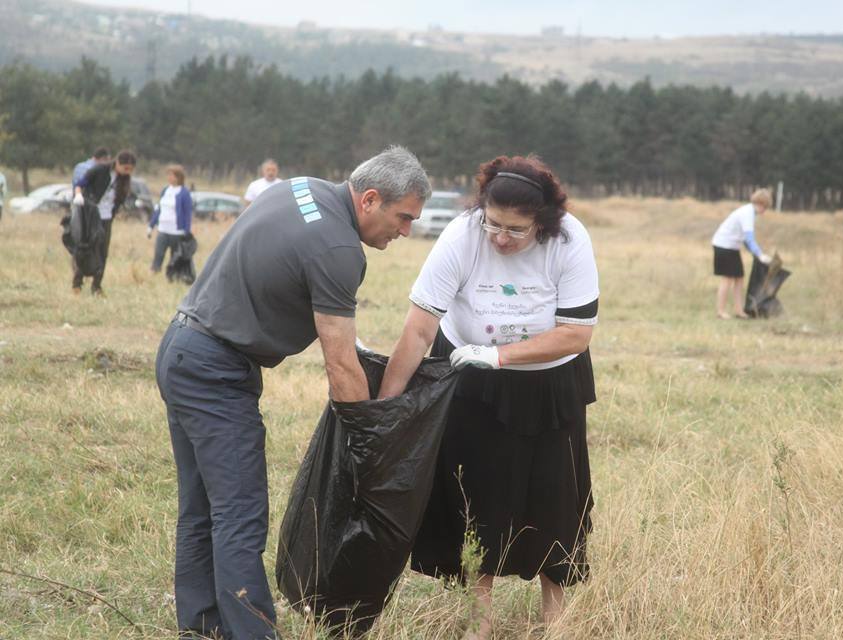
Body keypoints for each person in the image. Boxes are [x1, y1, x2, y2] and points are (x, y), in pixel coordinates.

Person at [154, 146, 430, 640]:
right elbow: (341, 362)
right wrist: (370, 442)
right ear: (369, 199)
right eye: (403, 217)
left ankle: (201, 630)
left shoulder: (297, 188)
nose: (406, 230)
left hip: (181, 349)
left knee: (202, 510)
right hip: (216, 371)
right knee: (239, 516)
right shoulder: (339, 250)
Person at [378, 155, 599, 640]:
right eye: (493, 224)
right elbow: (418, 330)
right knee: (475, 495)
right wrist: (387, 409)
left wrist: (499, 356)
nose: (500, 238)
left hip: (549, 386)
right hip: (471, 380)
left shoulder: (570, 239)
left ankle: (555, 620)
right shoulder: (462, 234)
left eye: (516, 230)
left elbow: (575, 335)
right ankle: (479, 622)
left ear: (543, 222)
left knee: (554, 497)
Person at [72, 150, 137, 296]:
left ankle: (97, 286)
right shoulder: (100, 170)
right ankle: (77, 282)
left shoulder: (123, 180)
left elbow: (119, 201)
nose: (127, 172)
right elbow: (80, 183)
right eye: (125, 168)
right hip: (91, 215)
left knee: (103, 252)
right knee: (86, 248)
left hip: (106, 217)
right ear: (118, 163)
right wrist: (78, 195)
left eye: (130, 170)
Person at [711, 188, 773, 319]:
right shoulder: (747, 213)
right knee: (727, 279)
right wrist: (760, 254)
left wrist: (756, 254)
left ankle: (739, 310)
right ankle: (720, 312)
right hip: (723, 245)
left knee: (739, 278)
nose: (764, 211)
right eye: (765, 208)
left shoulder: (750, 212)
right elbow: (749, 238)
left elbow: (745, 239)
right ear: (761, 204)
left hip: (732, 247)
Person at [147, 164, 193, 275]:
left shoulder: (184, 193)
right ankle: (154, 272)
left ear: (178, 177)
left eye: (171, 175)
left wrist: (186, 231)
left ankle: (172, 276)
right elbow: (159, 209)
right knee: (158, 253)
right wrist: (151, 225)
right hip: (163, 229)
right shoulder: (165, 190)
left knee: (175, 257)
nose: (169, 177)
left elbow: (187, 214)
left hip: (176, 231)